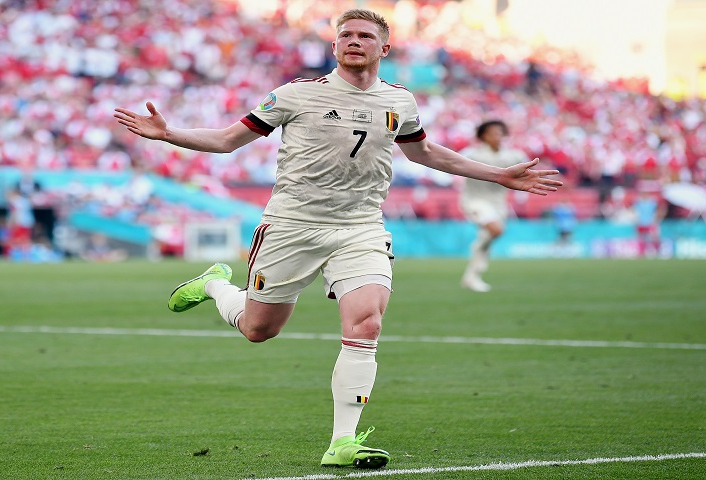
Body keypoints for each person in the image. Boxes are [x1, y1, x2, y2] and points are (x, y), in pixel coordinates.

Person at [114, 9, 561, 470]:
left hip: (360, 226)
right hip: (292, 224)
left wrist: (498, 174)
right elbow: (228, 140)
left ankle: (342, 442)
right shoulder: (296, 94)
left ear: (383, 48)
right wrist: (169, 134)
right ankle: (214, 285)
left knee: (366, 324)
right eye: (345, 34)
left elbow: (425, 152)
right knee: (258, 330)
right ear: (334, 46)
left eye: (364, 35)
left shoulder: (399, 100)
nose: (353, 41)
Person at [458, 120, 529, 292]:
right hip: (475, 202)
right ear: (483, 136)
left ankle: (472, 276)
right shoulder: (471, 154)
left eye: (500, 133)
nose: (498, 136)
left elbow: (530, 170)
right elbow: (449, 164)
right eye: (493, 133)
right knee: (496, 230)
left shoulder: (513, 156)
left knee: (487, 238)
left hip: (498, 204)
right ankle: (475, 261)